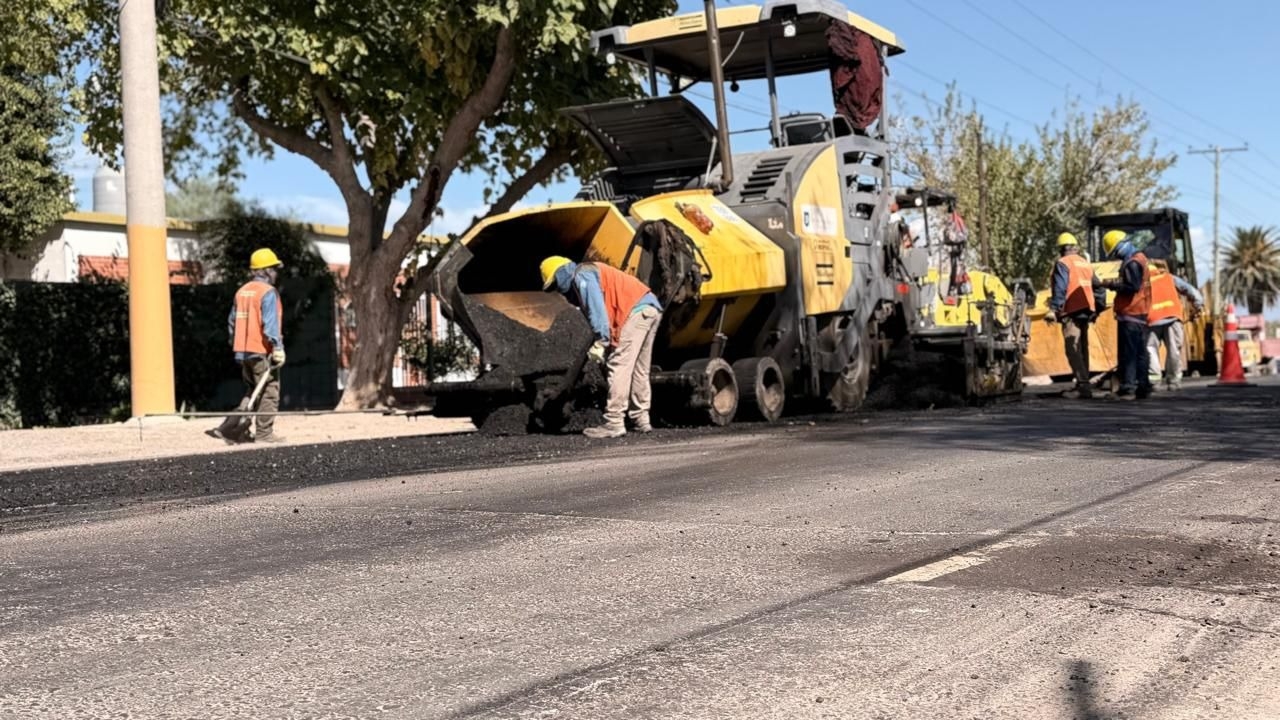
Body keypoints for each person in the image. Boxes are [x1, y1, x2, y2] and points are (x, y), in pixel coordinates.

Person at [541, 256, 663, 439]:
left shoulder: (581, 275)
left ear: (561, 273)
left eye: (555, 284)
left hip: (635, 311)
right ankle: (641, 419)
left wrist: (602, 341)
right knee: (639, 368)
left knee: (619, 364)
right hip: (649, 308)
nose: (558, 290)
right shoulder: (591, 271)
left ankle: (614, 422)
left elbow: (598, 311)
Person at [208, 248, 286, 443]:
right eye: (275, 269)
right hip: (261, 351)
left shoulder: (242, 291)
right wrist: (277, 347)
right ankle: (264, 433)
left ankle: (229, 428)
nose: (276, 273)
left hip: (243, 351)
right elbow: (270, 324)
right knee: (269, 392)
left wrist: (235, 344)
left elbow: (232, 323)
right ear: (267, 270)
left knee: (253, 390)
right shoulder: (268, 292)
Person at [1046, 232, 1107, 398]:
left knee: (1073, 348)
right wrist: (1098, 309)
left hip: (1071, 311)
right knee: (1083, 347)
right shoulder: (1085, 264)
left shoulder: (1062, 263)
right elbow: (1099, 288)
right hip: (1086, 311)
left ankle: (1083, 386)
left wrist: (1053, 309)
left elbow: (1061, 287)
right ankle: (1084, 383)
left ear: (1061, 249)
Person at [1097, 230, 1153, 400]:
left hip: (1131, 313)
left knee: (1128, 353)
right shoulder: (1141, 259)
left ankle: (1128, 387)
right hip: (1140, 312)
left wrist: (1111, 285)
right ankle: (1142, 386)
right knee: (1140, 352)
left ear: (1121, 245)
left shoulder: (1132, 263)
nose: (1116, 256)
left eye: (1115, 252)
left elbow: (1131, 287)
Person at [1146, 259, 1205, 391]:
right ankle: (1173, 381)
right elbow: (1190, 290)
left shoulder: (1144, 282)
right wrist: (1198, 305)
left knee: (1150, 349)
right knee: (1174, 350)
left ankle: (1154, 381)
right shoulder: (1169, 278)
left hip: (1152, 320)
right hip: (1172, 317)